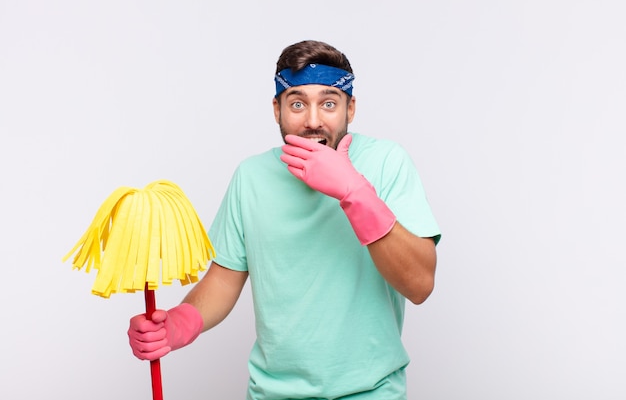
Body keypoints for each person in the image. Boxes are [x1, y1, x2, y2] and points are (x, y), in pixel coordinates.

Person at [128, 40, 441, 400]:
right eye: (296, 103)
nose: (312, 121)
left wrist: (353, 191)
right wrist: (179, 324)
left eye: (328, 103)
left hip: (371, 393)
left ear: (350, 108)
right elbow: (223, 281)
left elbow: (420, 285)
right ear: (276, 109)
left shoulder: (387, 162)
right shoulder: (251, 176)